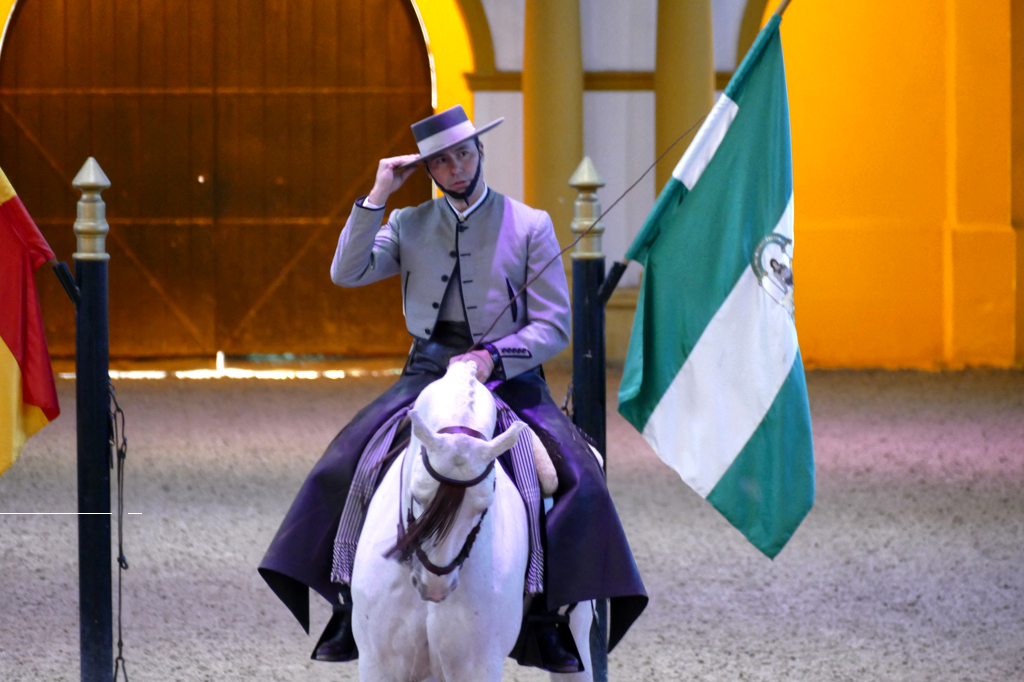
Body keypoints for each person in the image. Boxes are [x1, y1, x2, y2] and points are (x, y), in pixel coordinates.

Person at [258, 105, 647, 673]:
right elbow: (347, 271)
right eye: (441, 161)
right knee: (345, 464)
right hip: (427, 373)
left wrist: (493, 357)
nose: (457, 167)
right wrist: (376, 197)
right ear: (430, 171)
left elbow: (554, 325)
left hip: (510, 379)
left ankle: (551, 618)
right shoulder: (410, 223)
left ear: (480, 153)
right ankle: (348, 605)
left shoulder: (530, 224)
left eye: (464, 153)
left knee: (577, 480)